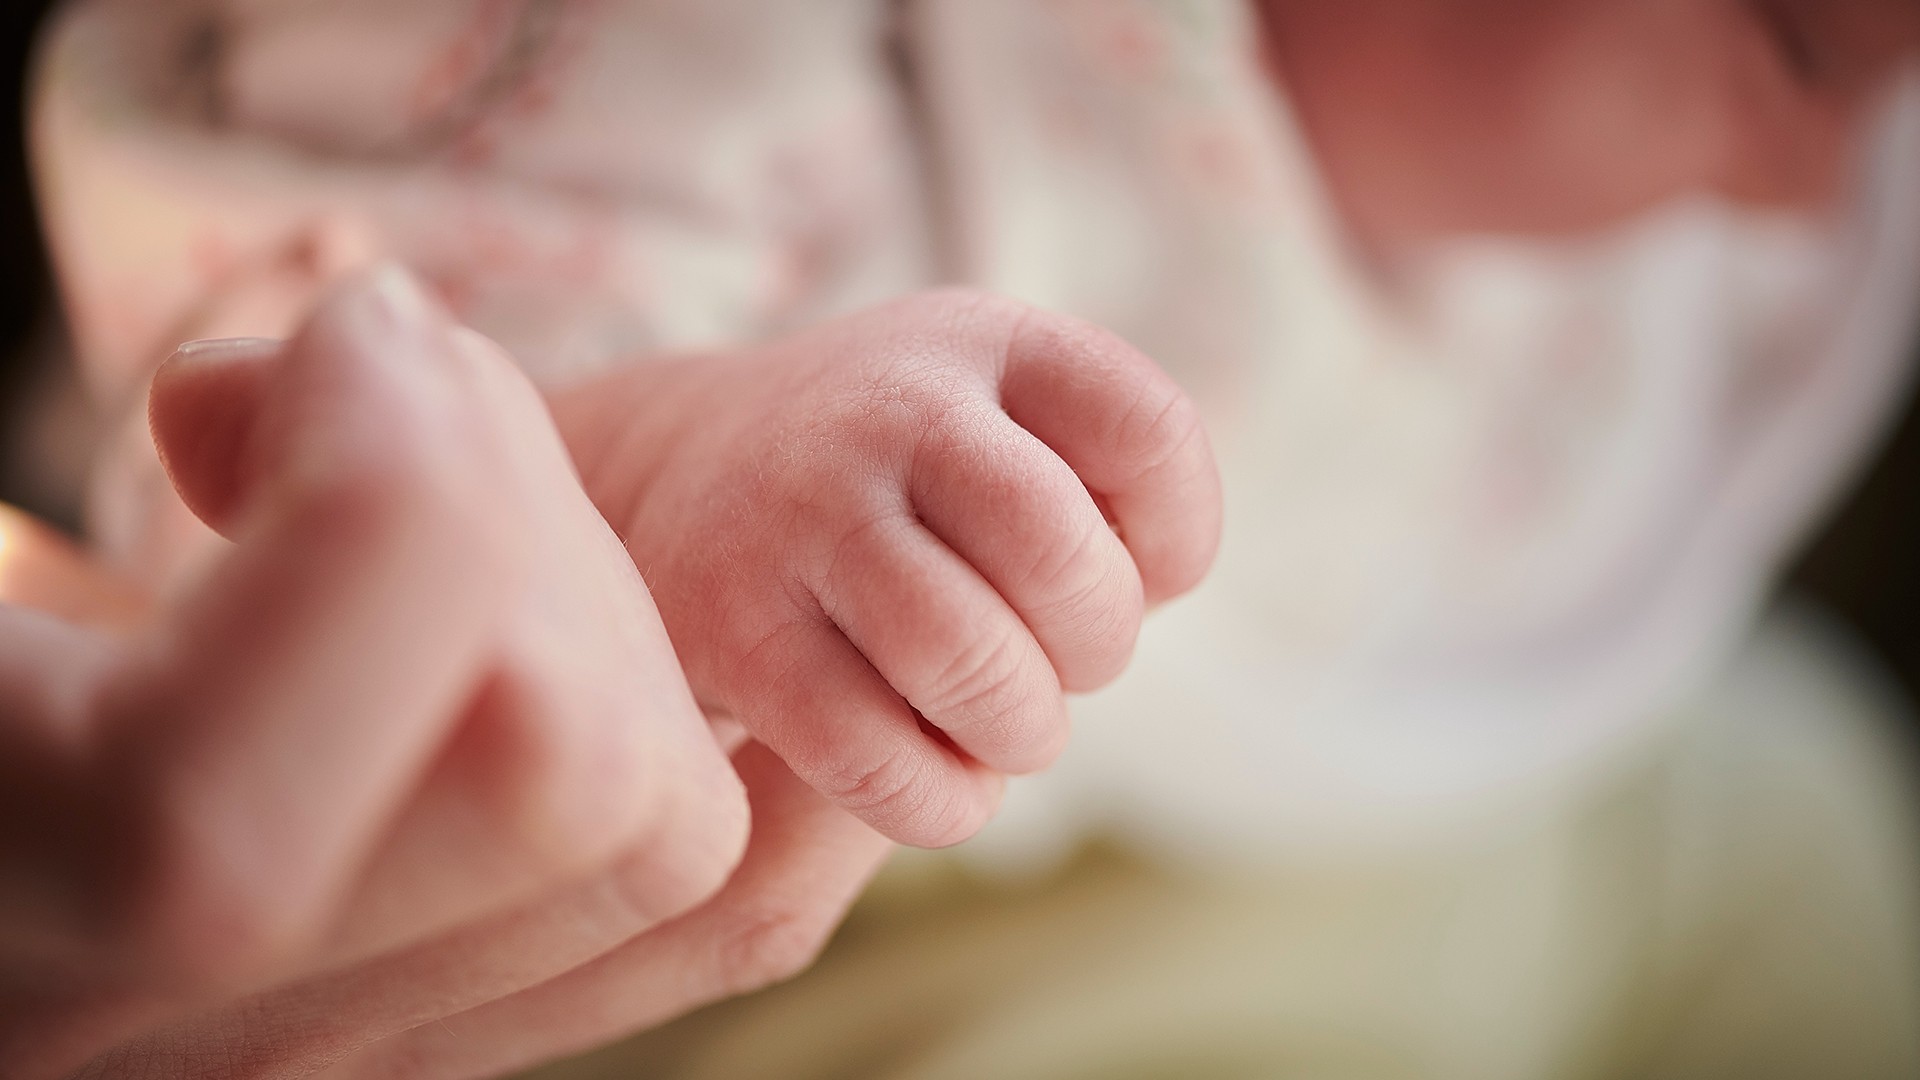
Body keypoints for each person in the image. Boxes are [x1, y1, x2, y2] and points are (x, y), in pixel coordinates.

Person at [20, 0, 1920, 1077]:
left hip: (1509, 772)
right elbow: (323, 466)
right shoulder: (677, 57)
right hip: (912, 907)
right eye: (1802, 56)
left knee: (1816, 820)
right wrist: (665, 463)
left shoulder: (1696, 227)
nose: (1803, 193)